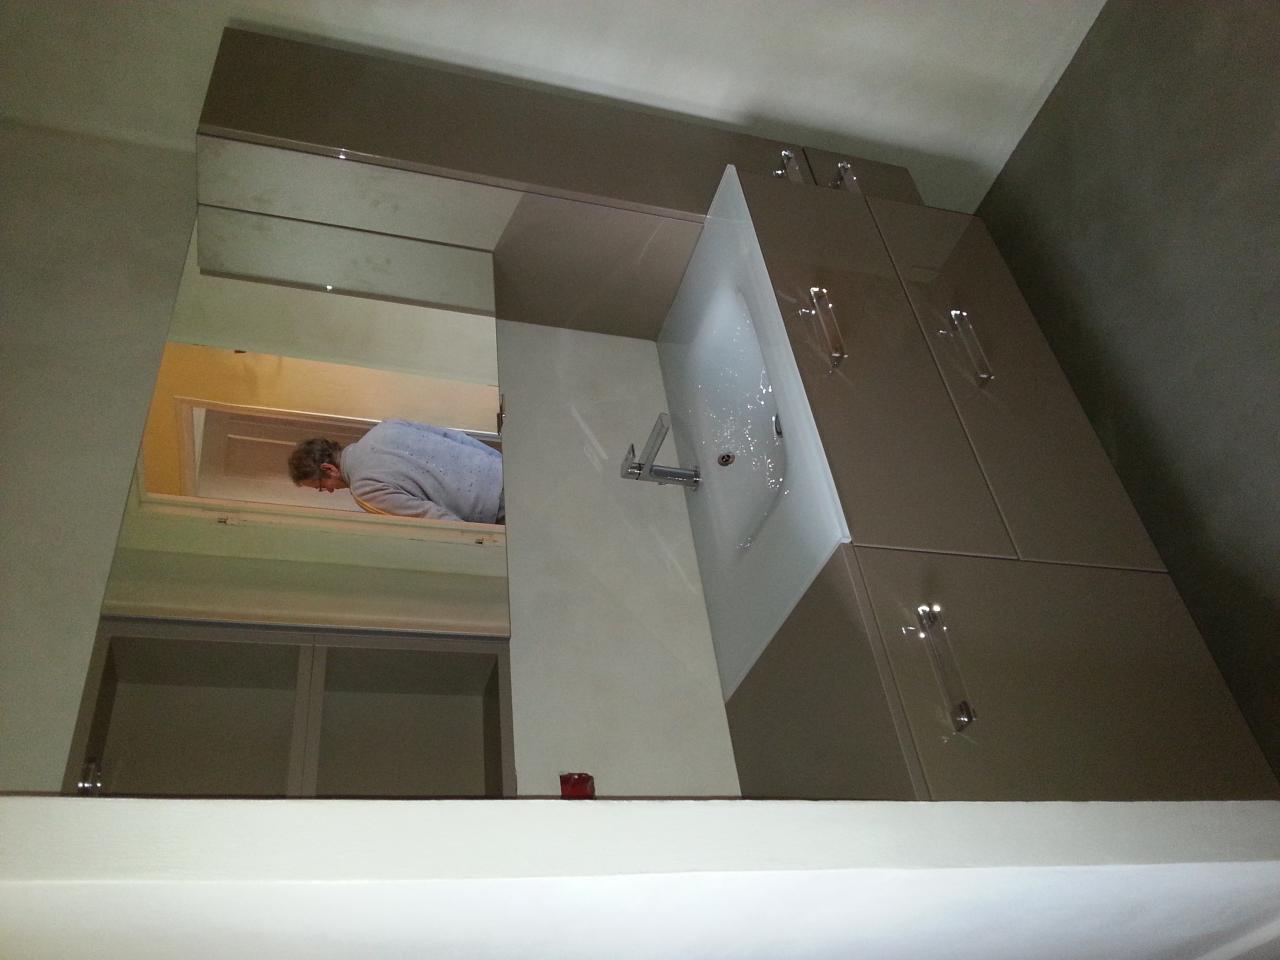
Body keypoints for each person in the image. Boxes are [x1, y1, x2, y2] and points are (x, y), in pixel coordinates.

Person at [288, 419, 504, 523]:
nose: (329, 491)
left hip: (490, 509)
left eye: (321, 486)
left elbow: (433, 519)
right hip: (500, 469)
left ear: (328, 469)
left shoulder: (364, 489)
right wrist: (500, 462)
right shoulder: (385, 427)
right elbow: (455, 437)